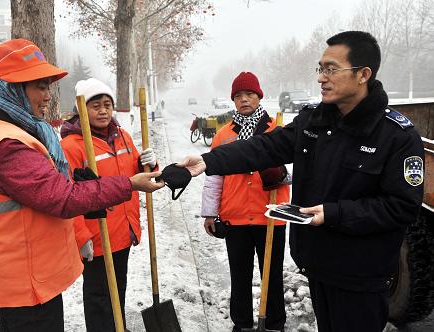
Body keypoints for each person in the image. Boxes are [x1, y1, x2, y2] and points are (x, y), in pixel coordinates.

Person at [178, 31, 424, 332]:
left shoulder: (396, 136)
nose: (322, 77)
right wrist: (209, 161)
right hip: (318, 267)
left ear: (363, 75)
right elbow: (265, 147)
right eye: (320, 68)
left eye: (331, 69)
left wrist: (333, 214)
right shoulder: (314, 122)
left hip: (360, 277)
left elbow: (401, 207)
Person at [0, 39, 163, 332]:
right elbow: (63, 197)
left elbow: (58, 186)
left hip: (33, 270)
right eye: (39, 87)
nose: (47, 96)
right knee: (97, 298)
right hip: (24, 277)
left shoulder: (23, 131)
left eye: (48, 87)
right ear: (14, 88)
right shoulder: (7, 144)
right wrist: (127, 186)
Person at [60, 78, 158, 331]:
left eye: (107, 105)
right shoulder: (72, 146)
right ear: (81, 109)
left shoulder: (123, 136)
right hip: (96, 237)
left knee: (118, 293)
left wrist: (150, 164)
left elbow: (139, 174)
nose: (103, 111)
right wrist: (81, 237)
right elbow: (67, 196)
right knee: (99, 299)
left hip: (122, 231)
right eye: (95, 106)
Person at [201, 72, 290, 331]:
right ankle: (241, 324)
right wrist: (209, 212)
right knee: (239, 276)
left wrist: (283, 174)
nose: (244, 100)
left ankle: (274, 324)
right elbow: (214, 176)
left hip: (271, 215)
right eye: (238, 96)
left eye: (249, 94)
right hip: (235, 215)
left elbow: (303, 170)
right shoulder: (223, 135)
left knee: (271, 276)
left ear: (259, 96)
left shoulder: (278, 130)